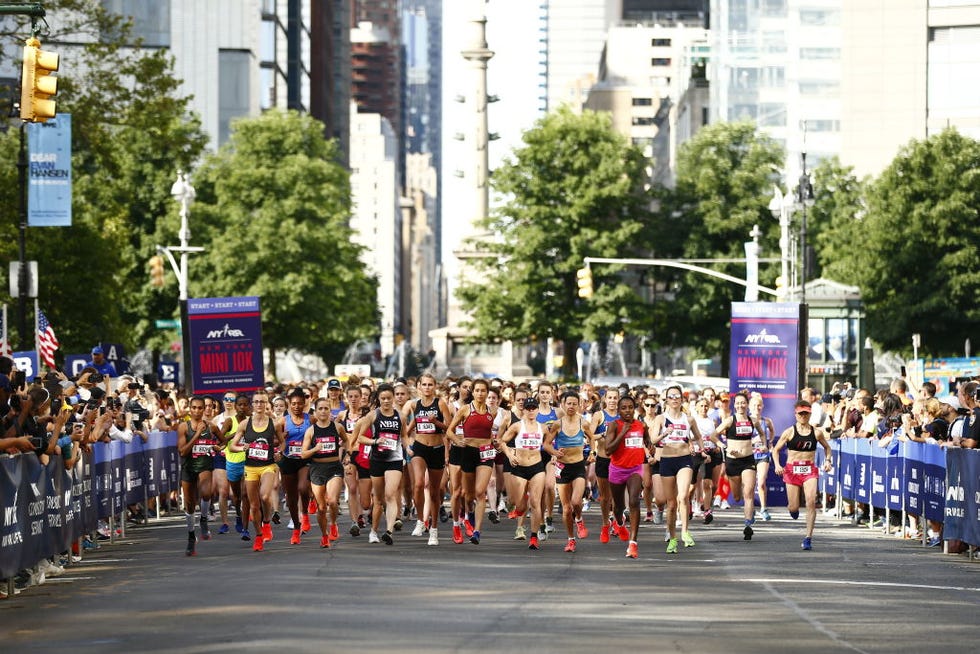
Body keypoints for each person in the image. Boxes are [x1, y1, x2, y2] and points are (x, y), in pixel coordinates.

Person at [646, 384, 710, 553]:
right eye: (671, 396)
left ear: (682, 399)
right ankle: (672, 538)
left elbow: (698, 436)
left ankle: (685, 532)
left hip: (684, 460)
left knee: (682, 496)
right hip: (666, 460)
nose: (674, 399)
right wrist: (664, 434)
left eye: (677, 396)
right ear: (666, 399)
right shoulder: (660, 418)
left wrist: (700, 449)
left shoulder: (688, 419)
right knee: (671, 503)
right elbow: (652, 441)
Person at [771, 400, 832, 550]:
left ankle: (808, 537)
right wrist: (778, 465)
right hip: (792, 470)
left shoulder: (816, 432)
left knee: (811, 502)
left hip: (809, 470)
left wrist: (828, 461)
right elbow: (775, 450)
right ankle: (793, 509)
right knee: (793, 507)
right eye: (801, 413)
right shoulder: (789, 432)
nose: (803, 416)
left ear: (810, 414)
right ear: (796, 414)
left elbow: (827, 448)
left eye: (806, 413)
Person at [353, 383, 409, 545]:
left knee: (390, 494)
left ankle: (389, 531)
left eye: (389, 398)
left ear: (393, 398)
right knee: (378, 500)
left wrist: (409, 447)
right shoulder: (372, 415)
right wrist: (376, 441)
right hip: (377, 459)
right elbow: (361, 438)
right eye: (383, 398)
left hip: (395, 459)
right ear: (378, 399)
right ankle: (374, 531)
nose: (386, 401)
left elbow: (404, 435)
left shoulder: (401, 416)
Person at [228, 391, 283, 552]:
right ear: (253, 404)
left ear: (267, 404)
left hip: (268, 466)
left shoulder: (274, 423)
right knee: (253, 505)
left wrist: (280, 452)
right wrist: (241, 448)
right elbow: (232, 445)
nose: (259, 404)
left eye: (263, 402)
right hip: (250, 468)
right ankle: (258, 536)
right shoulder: (245, 424)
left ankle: (266, 522)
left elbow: (283, 442)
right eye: (257, 402)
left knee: (265, 495)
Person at [446, 378, 496, 545]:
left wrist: (495, 443)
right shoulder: (466, 409)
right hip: (468, 452)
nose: (481, 393)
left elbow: (489, 433)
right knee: (468, 496)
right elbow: (449, 431)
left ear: (487, 393)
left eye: (483, 390)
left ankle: (477, 531)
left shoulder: (492, 411)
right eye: (477, 390)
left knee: (480, 492)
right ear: (472, 392)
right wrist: (458, 441)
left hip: (485, 454)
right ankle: (469, 512)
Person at [404, 373, 451, 546]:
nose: (427, 387)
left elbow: (450, 427)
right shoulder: (414, 404)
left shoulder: (440, 403)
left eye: (430, 384)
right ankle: (420, 520)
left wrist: (436, 422)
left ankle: (434, 529)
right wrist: (408, 444)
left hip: (437, 448)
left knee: (434, 491)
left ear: (435, 386)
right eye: (424, 384)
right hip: (420, 448)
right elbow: (408, 429)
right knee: (417, 484)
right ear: (419, 387)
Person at [544, 391, 594, 553]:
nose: (571, 406)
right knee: (566, 509)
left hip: (578, 466)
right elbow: (547, 444)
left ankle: (579, 519)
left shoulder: (583, 422)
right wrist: (555, 452)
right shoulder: (558, 424)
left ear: (579, 405)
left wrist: (592, 452)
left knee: (576, 502)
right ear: (563, 405)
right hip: (562, 468)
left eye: (574, 403)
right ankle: (571, 539)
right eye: (568, 403)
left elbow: (592, 438)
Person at [498, 397, 548, 550]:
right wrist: (509, 455)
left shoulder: (543, 427)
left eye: (534, 407)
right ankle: (520, 506)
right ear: (524, 410)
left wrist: (554, 455)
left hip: (537, 467)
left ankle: (533, 537)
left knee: (535, 502)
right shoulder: (516, 426)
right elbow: (501, 441)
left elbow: (549, 443)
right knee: (518, 504)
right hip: (519, 468)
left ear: (538, 410)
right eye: (528, 408)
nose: (531, 410)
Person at [715, 392, 763, 540]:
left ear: (747, 405)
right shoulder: (730, 420)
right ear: (734, 405)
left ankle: (748, 525)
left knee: (748, 493)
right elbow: (713, 435)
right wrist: (724, 447)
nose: (741, 405)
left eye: (743, 403)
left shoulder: (753, 420)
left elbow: (762, 434)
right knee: (736, 497)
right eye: (738, 403)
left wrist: (763, 445)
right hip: (732, 461)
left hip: (748, 460)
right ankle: (749, 514)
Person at [604, 395, 648, 558]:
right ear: (619, 410)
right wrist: (623, 432)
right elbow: (608, 450)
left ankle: (633, 544)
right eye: (624, 408)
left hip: (635, 469)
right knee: (618, 507)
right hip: (617, 470)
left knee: (634, 501)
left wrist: (650, 448)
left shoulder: (641, 425)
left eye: (630, 407)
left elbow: (646, 437)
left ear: (634, 408)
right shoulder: (614, 425)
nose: (627, 411)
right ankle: (620, 522)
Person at [300, 397, 345, 548]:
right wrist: (315, 449)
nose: (324, 411)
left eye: (327, 408)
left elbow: (347, 441)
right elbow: (303, 454)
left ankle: (333, 524)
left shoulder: (337, 427)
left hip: (334, 467)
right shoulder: (311, 431)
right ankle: (324, 535)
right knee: (321, 507)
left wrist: (346, 456)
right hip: (317, 469)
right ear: (316, 411)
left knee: (332, 500)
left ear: (330, 411)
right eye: (321, 409)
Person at [177, 397, 219, 556]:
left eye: (200, 408)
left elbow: (222, 442)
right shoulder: (183, 427)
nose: (196, 411)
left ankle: (203, 518)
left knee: (207, 493)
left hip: (205, 465)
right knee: (189, 504)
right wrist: (197, 435)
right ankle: (190, 536)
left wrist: (216, 447)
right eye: (193, 408)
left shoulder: (211, 426)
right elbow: (182, 451)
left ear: (204, 410)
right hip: (188, 467)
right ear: (189, 409)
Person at [277, 387, 313, 545]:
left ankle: (304, 513)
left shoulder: (311, 419)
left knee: (304, 488)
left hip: (304, 459)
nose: (297, 406)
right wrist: (280, 440)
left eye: (299, 403)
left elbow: (320, 435)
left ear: (304, 403)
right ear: (288, 404)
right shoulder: (283, 421)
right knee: (290, 498)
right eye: (293, 404)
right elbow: (273, 440)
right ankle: (296, 528)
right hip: (288, 460)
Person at [590, 387, 620, 543]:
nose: (613, 401)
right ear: (605, 400)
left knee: (617, 496)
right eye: (610, 398)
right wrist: (603, 434)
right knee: (605, 497)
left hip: (619, 461)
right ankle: (604, 524)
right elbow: (589, 435)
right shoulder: (599, 415)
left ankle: (616, 522)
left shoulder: (623, 416)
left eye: (615, 398)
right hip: (603, 459)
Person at [749, 393, 776, 522]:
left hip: (763, 455)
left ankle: (764, 509)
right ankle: (750, 509)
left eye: (759, 405)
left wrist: (769, 442)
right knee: (749, 484)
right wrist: (752, 441)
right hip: (749, 455)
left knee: (761, 482)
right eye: (754, 405)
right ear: (749, 407)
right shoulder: (747, 421)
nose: (757, 407)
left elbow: (772, 431)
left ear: (762, 406)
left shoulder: (766, 421)